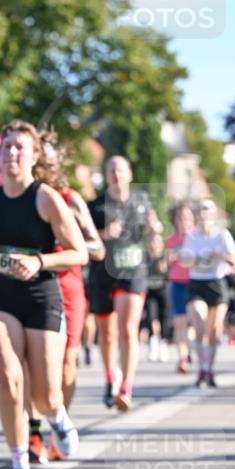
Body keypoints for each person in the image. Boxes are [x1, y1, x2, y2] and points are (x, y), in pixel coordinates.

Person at [0, 121, 87, 469]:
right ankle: (20, 466)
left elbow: (79, 251)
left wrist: (41, 262)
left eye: (20, 147)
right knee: (9, 378)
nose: (12, 153)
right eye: (6, 146)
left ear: (34, 156)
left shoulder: (45, 197)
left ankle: (57, 416)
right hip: (2, 298)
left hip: (42, 297)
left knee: (44, 395)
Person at [25, 135, 103, 463]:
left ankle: (59, 423)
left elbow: (96, 249)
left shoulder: (70, 199)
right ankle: (32, 434)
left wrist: (67, 238)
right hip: (29, 286)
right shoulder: (21, 197)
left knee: (66, 366)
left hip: (67, 288)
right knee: (31, 364)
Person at [87, 155, 163, 411]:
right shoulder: (96, 206)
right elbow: (81, 237)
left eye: (120, 170)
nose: (116, 174)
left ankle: (126, 387)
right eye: (111, 170)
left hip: (133, 271)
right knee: (107, 334)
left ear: (129, 174)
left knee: (128, 328)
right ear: (106, 175)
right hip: (102, 274)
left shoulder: (141, 201)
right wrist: (105, 235)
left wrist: (156, 235)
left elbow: (154, 230)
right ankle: (111, 376)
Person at [180, 199, 235, 387]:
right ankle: (201, 368)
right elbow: (183, 261)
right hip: (197, 283)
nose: (204, 214)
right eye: (201, 211)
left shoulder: (222, 235)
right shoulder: (191, 236)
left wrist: (220, 255)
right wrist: (192, 258)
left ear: (213, 214)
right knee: (199, 322)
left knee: (214, 329)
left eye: (207, 210)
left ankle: (209, 369)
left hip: (216, 282)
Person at [165, 203, 195, 373]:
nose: (183, 221)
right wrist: (171, 256)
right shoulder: (171, 239)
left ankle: (189, 349)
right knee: (179, 321)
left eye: (187, 217)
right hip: (177, 282)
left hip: (195, 282)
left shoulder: (198, 236)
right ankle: (182, 358)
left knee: (193, 321)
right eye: (180, 217)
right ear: (176, 220)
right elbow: (166, 263)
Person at [144, 232, 170, 361]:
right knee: (151, 317)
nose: (154, 244)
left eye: (157, 242)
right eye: (152, 241)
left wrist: (166, 267)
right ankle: (153, 342)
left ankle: (163, 344)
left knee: (163, 318)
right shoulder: (145, 258)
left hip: (163, 291)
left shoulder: (164, 258)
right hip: (150, 292)